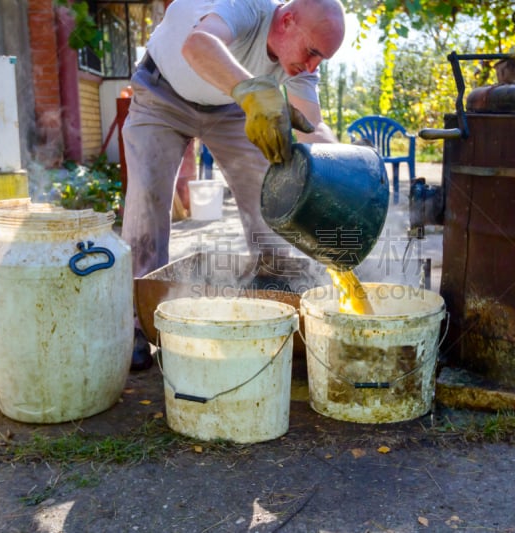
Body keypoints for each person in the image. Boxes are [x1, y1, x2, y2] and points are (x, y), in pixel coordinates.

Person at [121, 0, 346, 370]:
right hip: (162, 94)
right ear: (287, 20)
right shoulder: (246, 6)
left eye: (320, 59)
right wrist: (250, 91)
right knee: (146, 200)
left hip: (230, 107)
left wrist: (344, 165)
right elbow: (197, 45)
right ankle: (133, 325)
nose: (311, 67)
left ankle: (276, 310)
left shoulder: (303, 68)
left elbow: (310, 127)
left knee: (268, 199)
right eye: (311, 52)